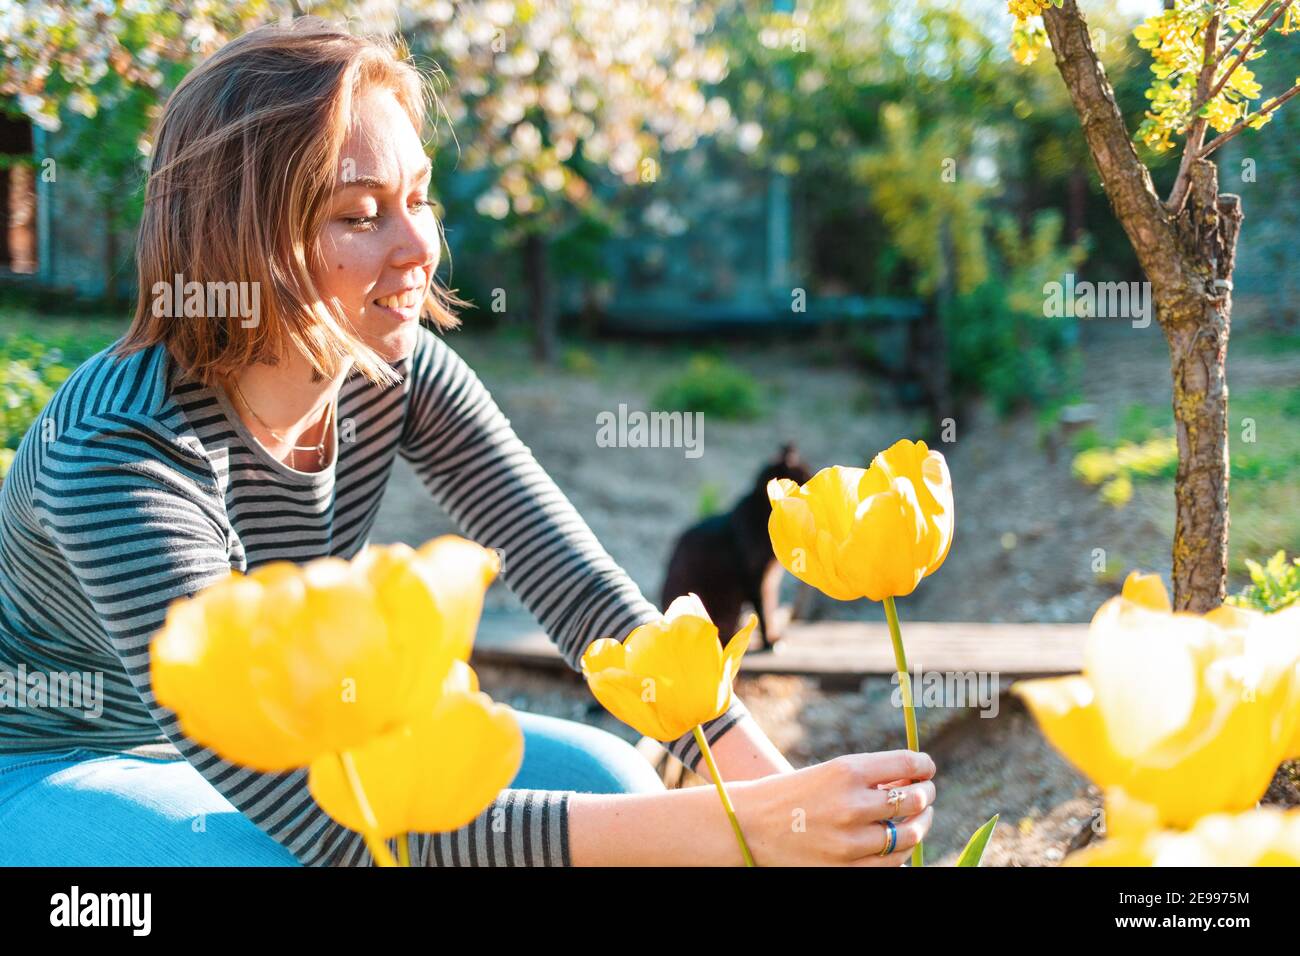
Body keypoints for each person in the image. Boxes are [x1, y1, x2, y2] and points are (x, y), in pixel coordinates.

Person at [0, 17, 935, 866]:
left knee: (613, 777)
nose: (419, 249)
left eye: (420, 199)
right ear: (237, 240)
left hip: (302, 732)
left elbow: (579, 593)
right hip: (56, 760)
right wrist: (738, 834)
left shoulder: (395, 371)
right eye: (360, 216)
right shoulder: (119, 455)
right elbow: (330, 826)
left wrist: (775, 796)